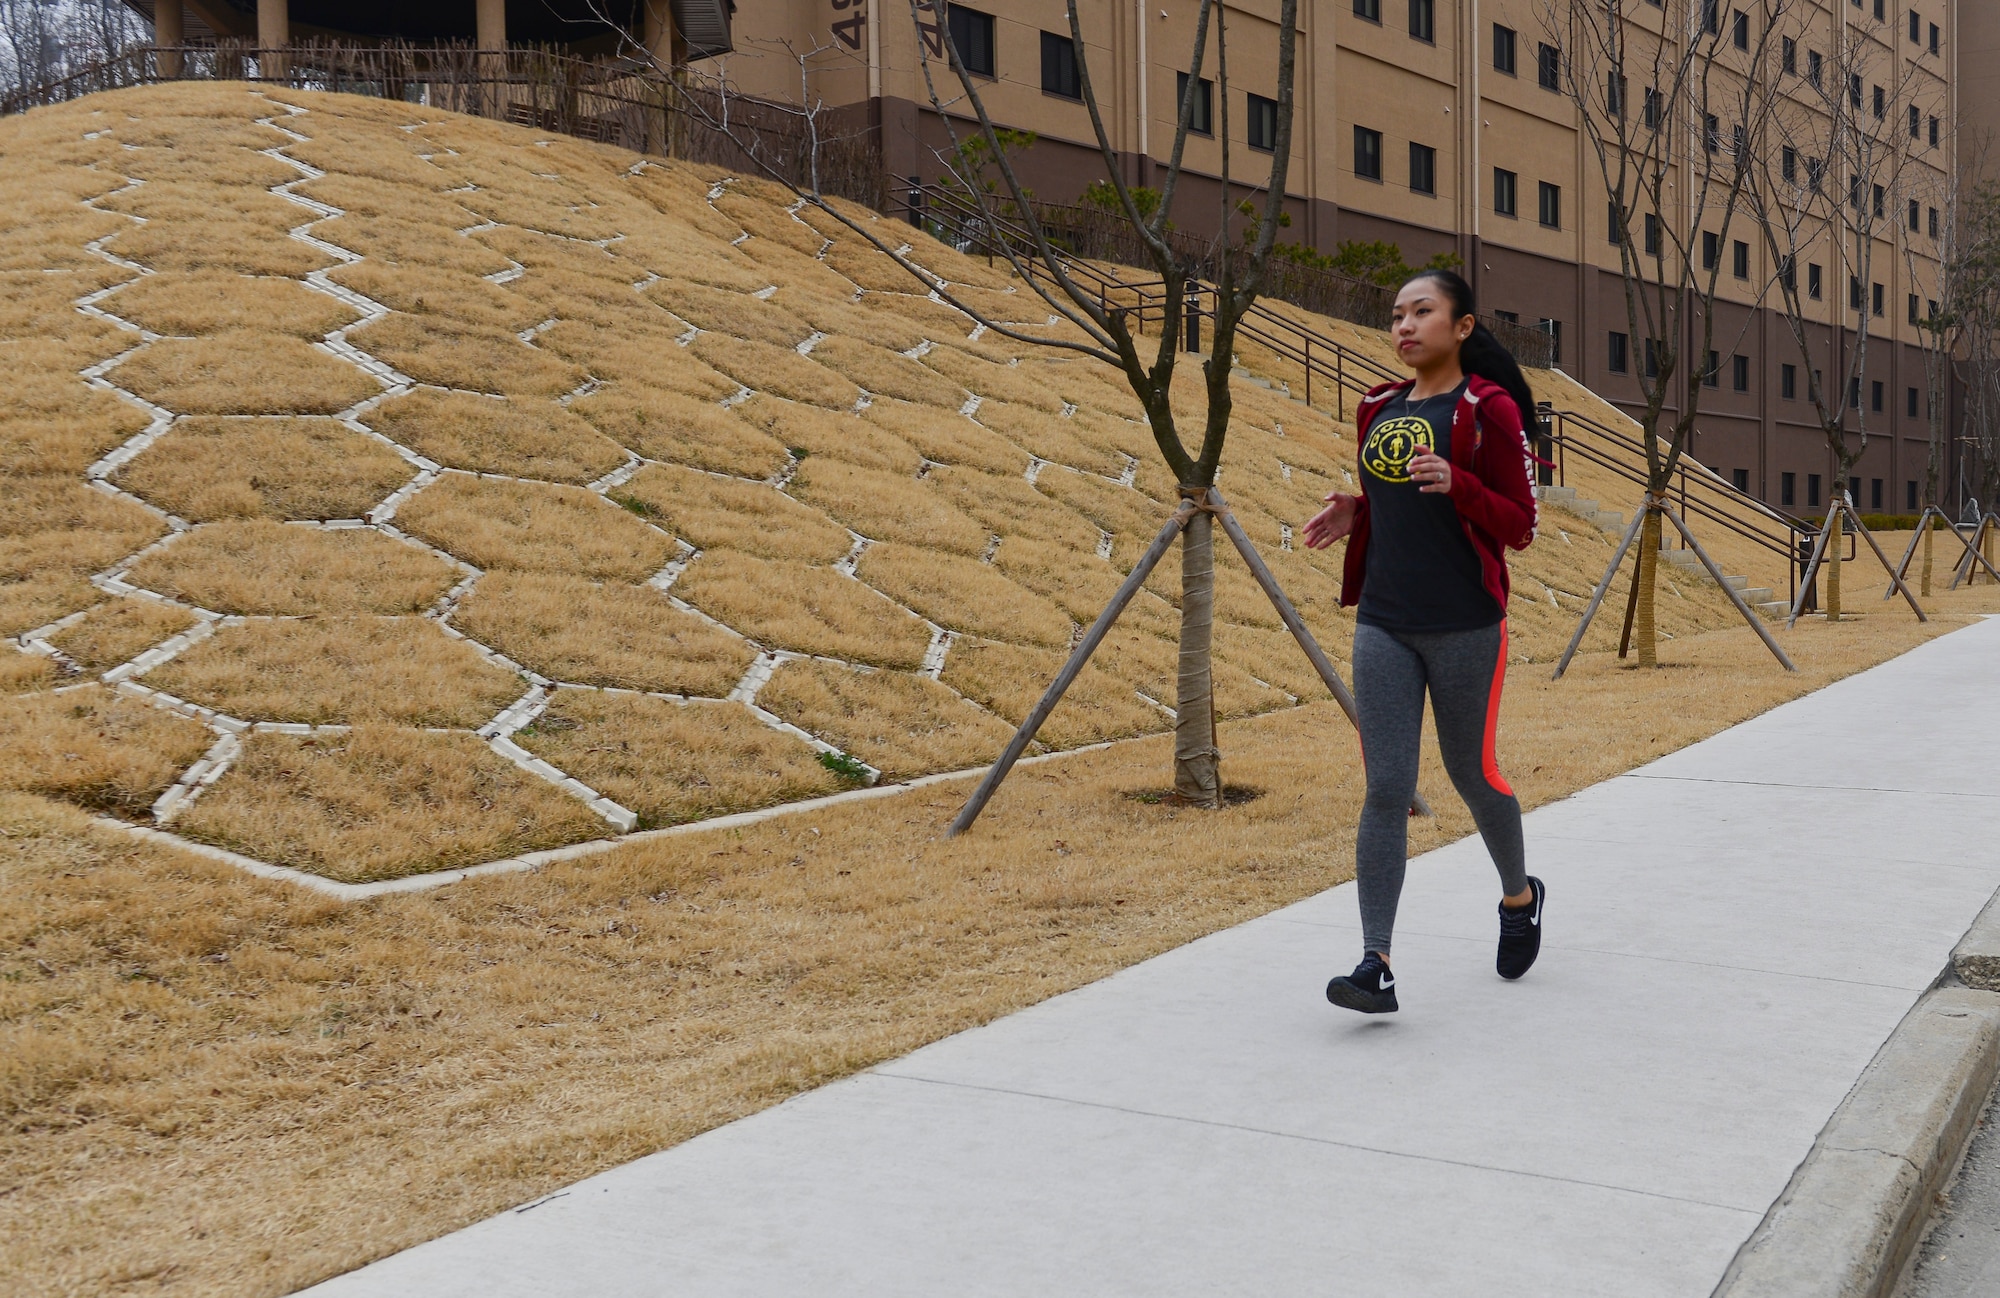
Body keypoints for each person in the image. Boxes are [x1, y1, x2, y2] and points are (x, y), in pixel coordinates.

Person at [1302, 269, 1543, 1015]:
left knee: (1472, 774)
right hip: (1384, 620)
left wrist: (1458, 483)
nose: (1404, 326)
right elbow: (1396, 499)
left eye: (1422, 312)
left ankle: (1518, 897)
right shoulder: (1377, 405)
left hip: (1466, 623)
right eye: (1396, 315)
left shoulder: (1488, 407)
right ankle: (1375, 963)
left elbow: (1521, 525)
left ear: (1462, 326)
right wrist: (1360, 508)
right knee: (1386, 787)